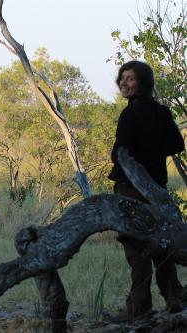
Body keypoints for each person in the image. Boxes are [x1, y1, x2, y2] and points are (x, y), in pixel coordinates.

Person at [109, 60, 185, 320]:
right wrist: (153, 152)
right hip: (157, 187)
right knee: (162, 244)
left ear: (143, 83)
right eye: (122, 78)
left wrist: (137, 155)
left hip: (130, 187)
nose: (124, 83)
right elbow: (176, 144)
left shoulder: (130, 114)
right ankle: (175, 298)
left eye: (130, 79)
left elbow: (120, 153)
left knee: (136, 246)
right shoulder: (162, 112)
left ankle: (139, 307)